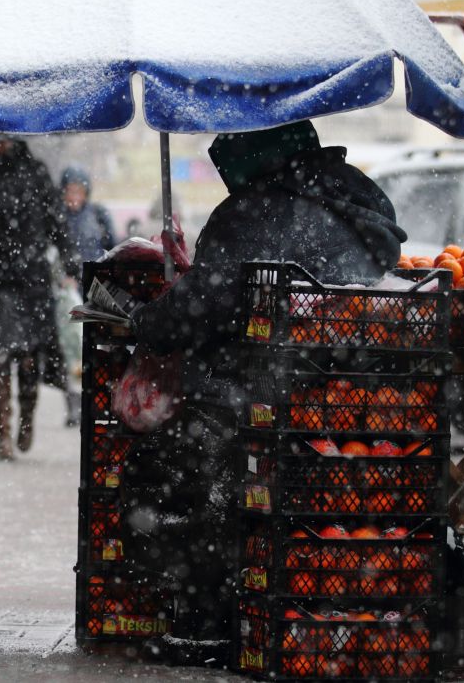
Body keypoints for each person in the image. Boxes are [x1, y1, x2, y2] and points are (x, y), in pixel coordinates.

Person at [126, 120, 406, 661]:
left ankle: (207, 625)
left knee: (170, 482)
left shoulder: (249, 214)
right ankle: (308, 617)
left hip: (257, 397)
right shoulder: (358, 198)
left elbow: (198, 309)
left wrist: (146, 319)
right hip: (352, 400)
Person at [0, 137, 79, 461]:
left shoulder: (35, 172)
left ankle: (26, 416)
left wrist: (69, 258)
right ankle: (2, 435)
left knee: (28, 358)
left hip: (31, 278)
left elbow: (56, 222)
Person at [59, 165, 117, 426]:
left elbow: (114, 248)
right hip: (67, 292)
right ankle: (73, 404)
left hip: (96, 289)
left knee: (98, 347)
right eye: (69, 191)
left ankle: (96, 401)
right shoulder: (56, 218)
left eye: (78, 191)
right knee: (71, 350)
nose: (73, 196)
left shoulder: (98, 215)